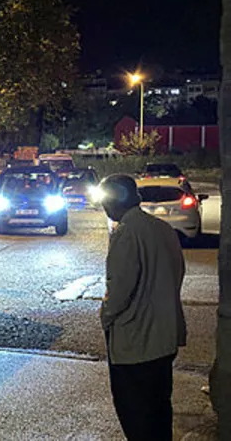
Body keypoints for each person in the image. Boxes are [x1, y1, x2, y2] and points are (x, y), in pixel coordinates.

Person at [98, 174, 186, 441]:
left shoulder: (125, 234)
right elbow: (178, 273)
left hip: (135, 345)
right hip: (165, 338)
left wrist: (106, 317)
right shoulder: (163, 229)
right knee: (160, 410)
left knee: (136, 416)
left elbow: (119, 291)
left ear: (115, 201)